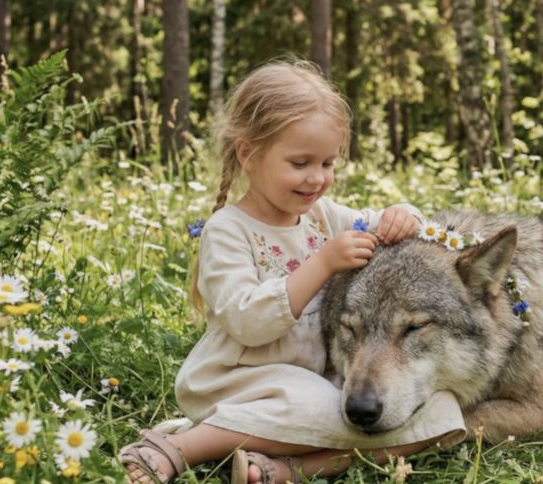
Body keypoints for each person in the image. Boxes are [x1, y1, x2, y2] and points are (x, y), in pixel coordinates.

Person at [118, 60, 465, 484]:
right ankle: (178, 447)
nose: (316, 179)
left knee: (444, 413)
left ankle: (286, 470)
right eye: (300, 163)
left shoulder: (324, 217)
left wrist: (403, 216)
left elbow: (389, 220)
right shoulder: (228, 230)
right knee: (321, 409)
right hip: (240, 381)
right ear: (248, 154)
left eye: (327, 163)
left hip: (312, 380)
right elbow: (248, 322)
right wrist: (322, 264)